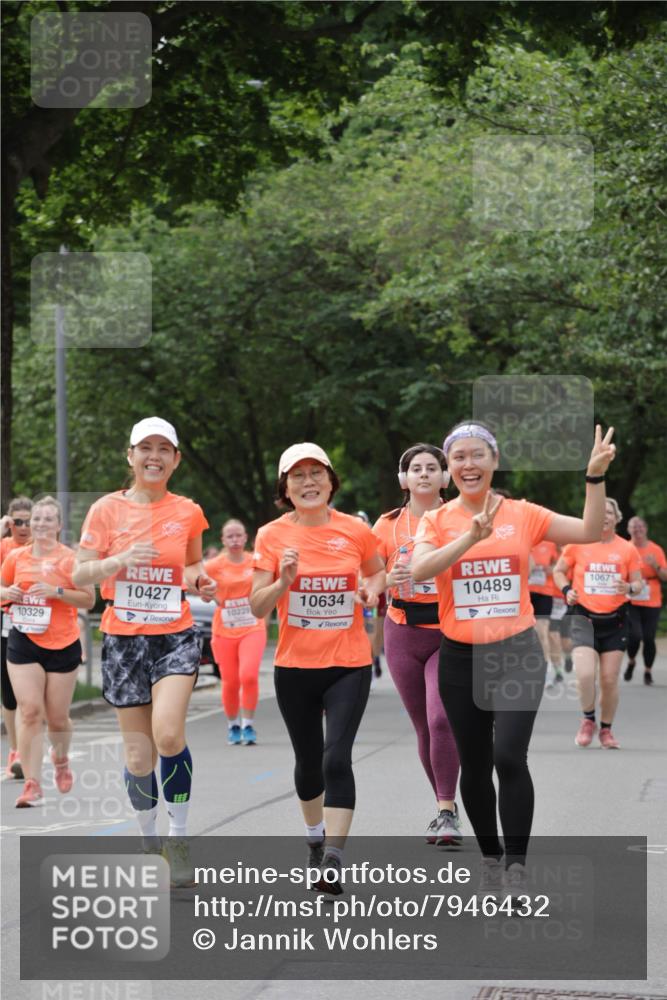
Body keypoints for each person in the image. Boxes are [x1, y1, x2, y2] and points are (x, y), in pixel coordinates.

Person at [411, 421, 616, 897]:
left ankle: (518, 869)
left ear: (494, 460)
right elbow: (419, 570)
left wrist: (593, 476)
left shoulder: (522, 513)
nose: (468, 464)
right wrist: (469, 538)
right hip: (461, 657)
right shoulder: (437, 520)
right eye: (458, 457)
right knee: (476, 763)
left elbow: (587, 530)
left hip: (518, 651)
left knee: (509, 756)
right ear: (448, 470)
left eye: (477, 454)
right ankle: (490, 859)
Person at [73, 417, 216, 886]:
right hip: (123, 638)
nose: (154, 456)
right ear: (130, 456)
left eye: (164, 449)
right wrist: (119, 560)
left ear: (176, 459)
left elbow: (192, 562)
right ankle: (148, 839)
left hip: (174, 633)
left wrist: (200, 579)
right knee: (139, 757)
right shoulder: (105, 510)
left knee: (169, 736)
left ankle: (178, 838)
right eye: (145, 448)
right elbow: (79, 575)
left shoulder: (189, 510)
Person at [250, 443, 385, 893]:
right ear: (285, 488)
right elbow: (255, 606)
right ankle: (314, 838)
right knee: (309, 762)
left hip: (348, 662)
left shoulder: (355, 531)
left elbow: (375, 573)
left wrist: (370, 591)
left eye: (316, 474)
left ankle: (334, 857)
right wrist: (283, 583)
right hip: (294, 666)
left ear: (331, 481)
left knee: (336, 758)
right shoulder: (270, 536)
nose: (308, 483)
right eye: (297, 476)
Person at [373, 444, 462, 847]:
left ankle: (446, 812)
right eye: (415, 469)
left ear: (445, 477)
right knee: (424, 726)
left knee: (442, 718)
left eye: (432, 468)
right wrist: (387, 578)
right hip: (402, 631)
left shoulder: (461, 518)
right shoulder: (385, 526)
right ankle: (444, 804)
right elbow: (368, 582)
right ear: (403, 479)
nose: (423, 474)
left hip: (450, 631)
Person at [1, 497, 94, 806]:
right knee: (29, 712)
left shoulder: (72, 559)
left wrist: (56, 592)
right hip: (24, 640)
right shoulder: (16, 557)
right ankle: (31, 783)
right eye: (35, 519)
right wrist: (8, 593)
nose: (39, 523)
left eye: (46, 519)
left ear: (58, 525)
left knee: (57, 719)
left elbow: (88, 600)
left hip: (62, 643)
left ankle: (61, 759)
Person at [554, 498, 643, 749]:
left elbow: (638, 583)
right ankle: (587, 719)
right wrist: (567, 589)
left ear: (617, 518)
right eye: (599, 511)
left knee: (609, 678)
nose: (604, 516)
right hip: (584, 618)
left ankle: (606, 730)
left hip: (614, 621)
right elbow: (558, 571)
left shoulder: (627, 549)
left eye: (609, 512)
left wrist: (629, 587)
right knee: (584, 674)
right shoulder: (578, 543)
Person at [205, 519, 267, 745]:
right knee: (230, 682)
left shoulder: (255, 562)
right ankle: (233, 726)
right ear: (223, 540)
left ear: (246, 537)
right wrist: (210, 594)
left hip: (252, 626)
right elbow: (191, 579)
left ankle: (248, 724)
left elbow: (270, 581)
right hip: (224, 630)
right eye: (229, 536)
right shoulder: (214, 565)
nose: (234, 540)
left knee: (248, 676)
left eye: (238, 536)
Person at [1, 497, 33, 778]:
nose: (23, 527)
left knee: (31, 697)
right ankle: (15, 749)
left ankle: (27, 749)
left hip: (38, 628)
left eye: (28, 521)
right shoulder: (4, 547)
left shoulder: (43, 549)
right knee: (9, 695)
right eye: (17, 522)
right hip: (7, 623)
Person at [624, 516, 666, 686]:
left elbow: (664, 576)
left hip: (652, 599)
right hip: (631, 599)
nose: (637, 530)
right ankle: (632, 661)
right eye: (634, 527)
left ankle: (648, 671)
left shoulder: (655, 550)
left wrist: (655, 565)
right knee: (634, 636)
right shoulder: (625, 548)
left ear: (646, 529)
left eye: (640, 526)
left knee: (649, 637)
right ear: (628, 529)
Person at [527, 538, 561, 685]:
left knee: (542, 632)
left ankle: (546, 671)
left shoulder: (551, 543)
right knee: (524, 634)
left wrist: (551, 568)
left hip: (544, 593)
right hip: (524, 593)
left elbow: (559, 566)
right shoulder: (524, 540)